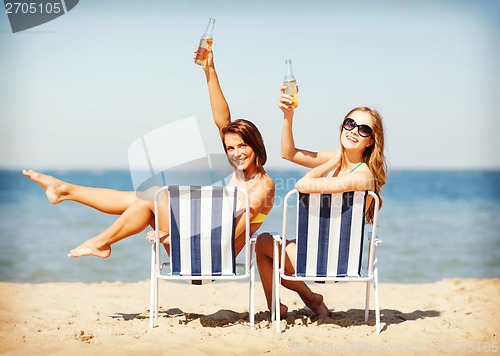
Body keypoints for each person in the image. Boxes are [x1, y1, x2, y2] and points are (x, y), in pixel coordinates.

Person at [22, 48, 274, 259]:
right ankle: (67, 194)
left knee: (154, 195)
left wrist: (174, 234)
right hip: (192, 247)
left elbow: (227, 239)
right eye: (230, 148)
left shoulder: (262, 187)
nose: (236, 153)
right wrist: (209, 70)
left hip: (206, 260)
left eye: (243, 146)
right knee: (142, 200)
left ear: (256, 144)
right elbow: (223, 121)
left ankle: (94, 233)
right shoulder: (242, 173)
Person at [255, 87, 387, 318]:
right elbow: (288, 153)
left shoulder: (362, 176)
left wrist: (330, 162)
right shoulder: (341, 162)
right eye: (350, 124)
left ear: (370, 141)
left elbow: (303, 185)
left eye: (364, 129)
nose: (354, 131)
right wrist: (288, 115)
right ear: (342, 127)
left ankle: (297, 301)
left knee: (264, 244)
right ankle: (310, 299)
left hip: (331, 259)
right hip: (321, 251)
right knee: (269, 246)